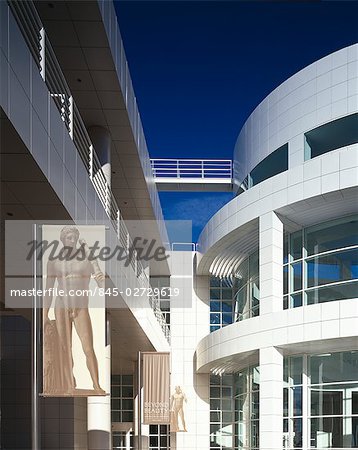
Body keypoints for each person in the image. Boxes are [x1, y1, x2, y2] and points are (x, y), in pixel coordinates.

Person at [43, 226, 105, 395]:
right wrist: (44, 314)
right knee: (65, 348)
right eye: (69, 237)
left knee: (88, 348)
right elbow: (48, 289)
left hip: (80, 307)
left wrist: (100, 276)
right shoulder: (54, 261)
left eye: (74, 237)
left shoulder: (87, 259)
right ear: (62, 239)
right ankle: (69, 384)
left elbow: (101, 284)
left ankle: (96, 385)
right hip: (61, 305)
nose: (72, 240)